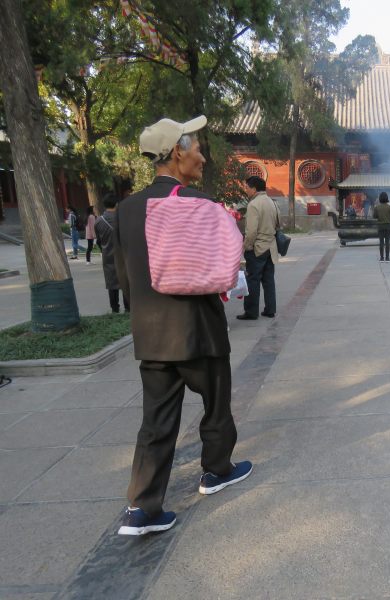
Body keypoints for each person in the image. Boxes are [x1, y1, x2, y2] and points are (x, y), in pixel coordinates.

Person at [115, 116, 251, 536]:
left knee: (155, 421)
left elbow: (124, 279)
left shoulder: (125, 210)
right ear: (177, 151)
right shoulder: (199, 203)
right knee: (215, 407)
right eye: (196, 149)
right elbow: (225, 268)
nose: (202, 156)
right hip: (200, 331)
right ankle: (216, 471)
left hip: (152, 336)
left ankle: (142, 508)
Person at [237, 175, 279, 321]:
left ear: (254, 189)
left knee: (252, 280)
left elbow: (251, 231)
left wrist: (246, 247)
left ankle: (251, 312)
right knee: (268, 280)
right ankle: (270, 309)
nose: (246, 190)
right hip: (271, 247)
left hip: (257, 247)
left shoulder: (253, 205)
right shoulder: (272, 203)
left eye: (247, 187)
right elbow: (278, 225)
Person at [95, 193, 129, 313]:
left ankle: (114, 308)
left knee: (111, 283)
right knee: (125, 281)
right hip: (123, 255)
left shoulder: (98, 221)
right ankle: (128, 308)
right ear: (116, 204)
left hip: (107, 255)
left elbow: (98, 240)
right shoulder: (123, 219)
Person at [374, 191, 390, 261]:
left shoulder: (377, 207)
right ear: (387, 198)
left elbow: (374, 216)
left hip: (380, 226)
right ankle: (387, 257)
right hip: (388, 226)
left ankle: (381, 257)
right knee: (387, 242)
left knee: (381, 243)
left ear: (380, 198)